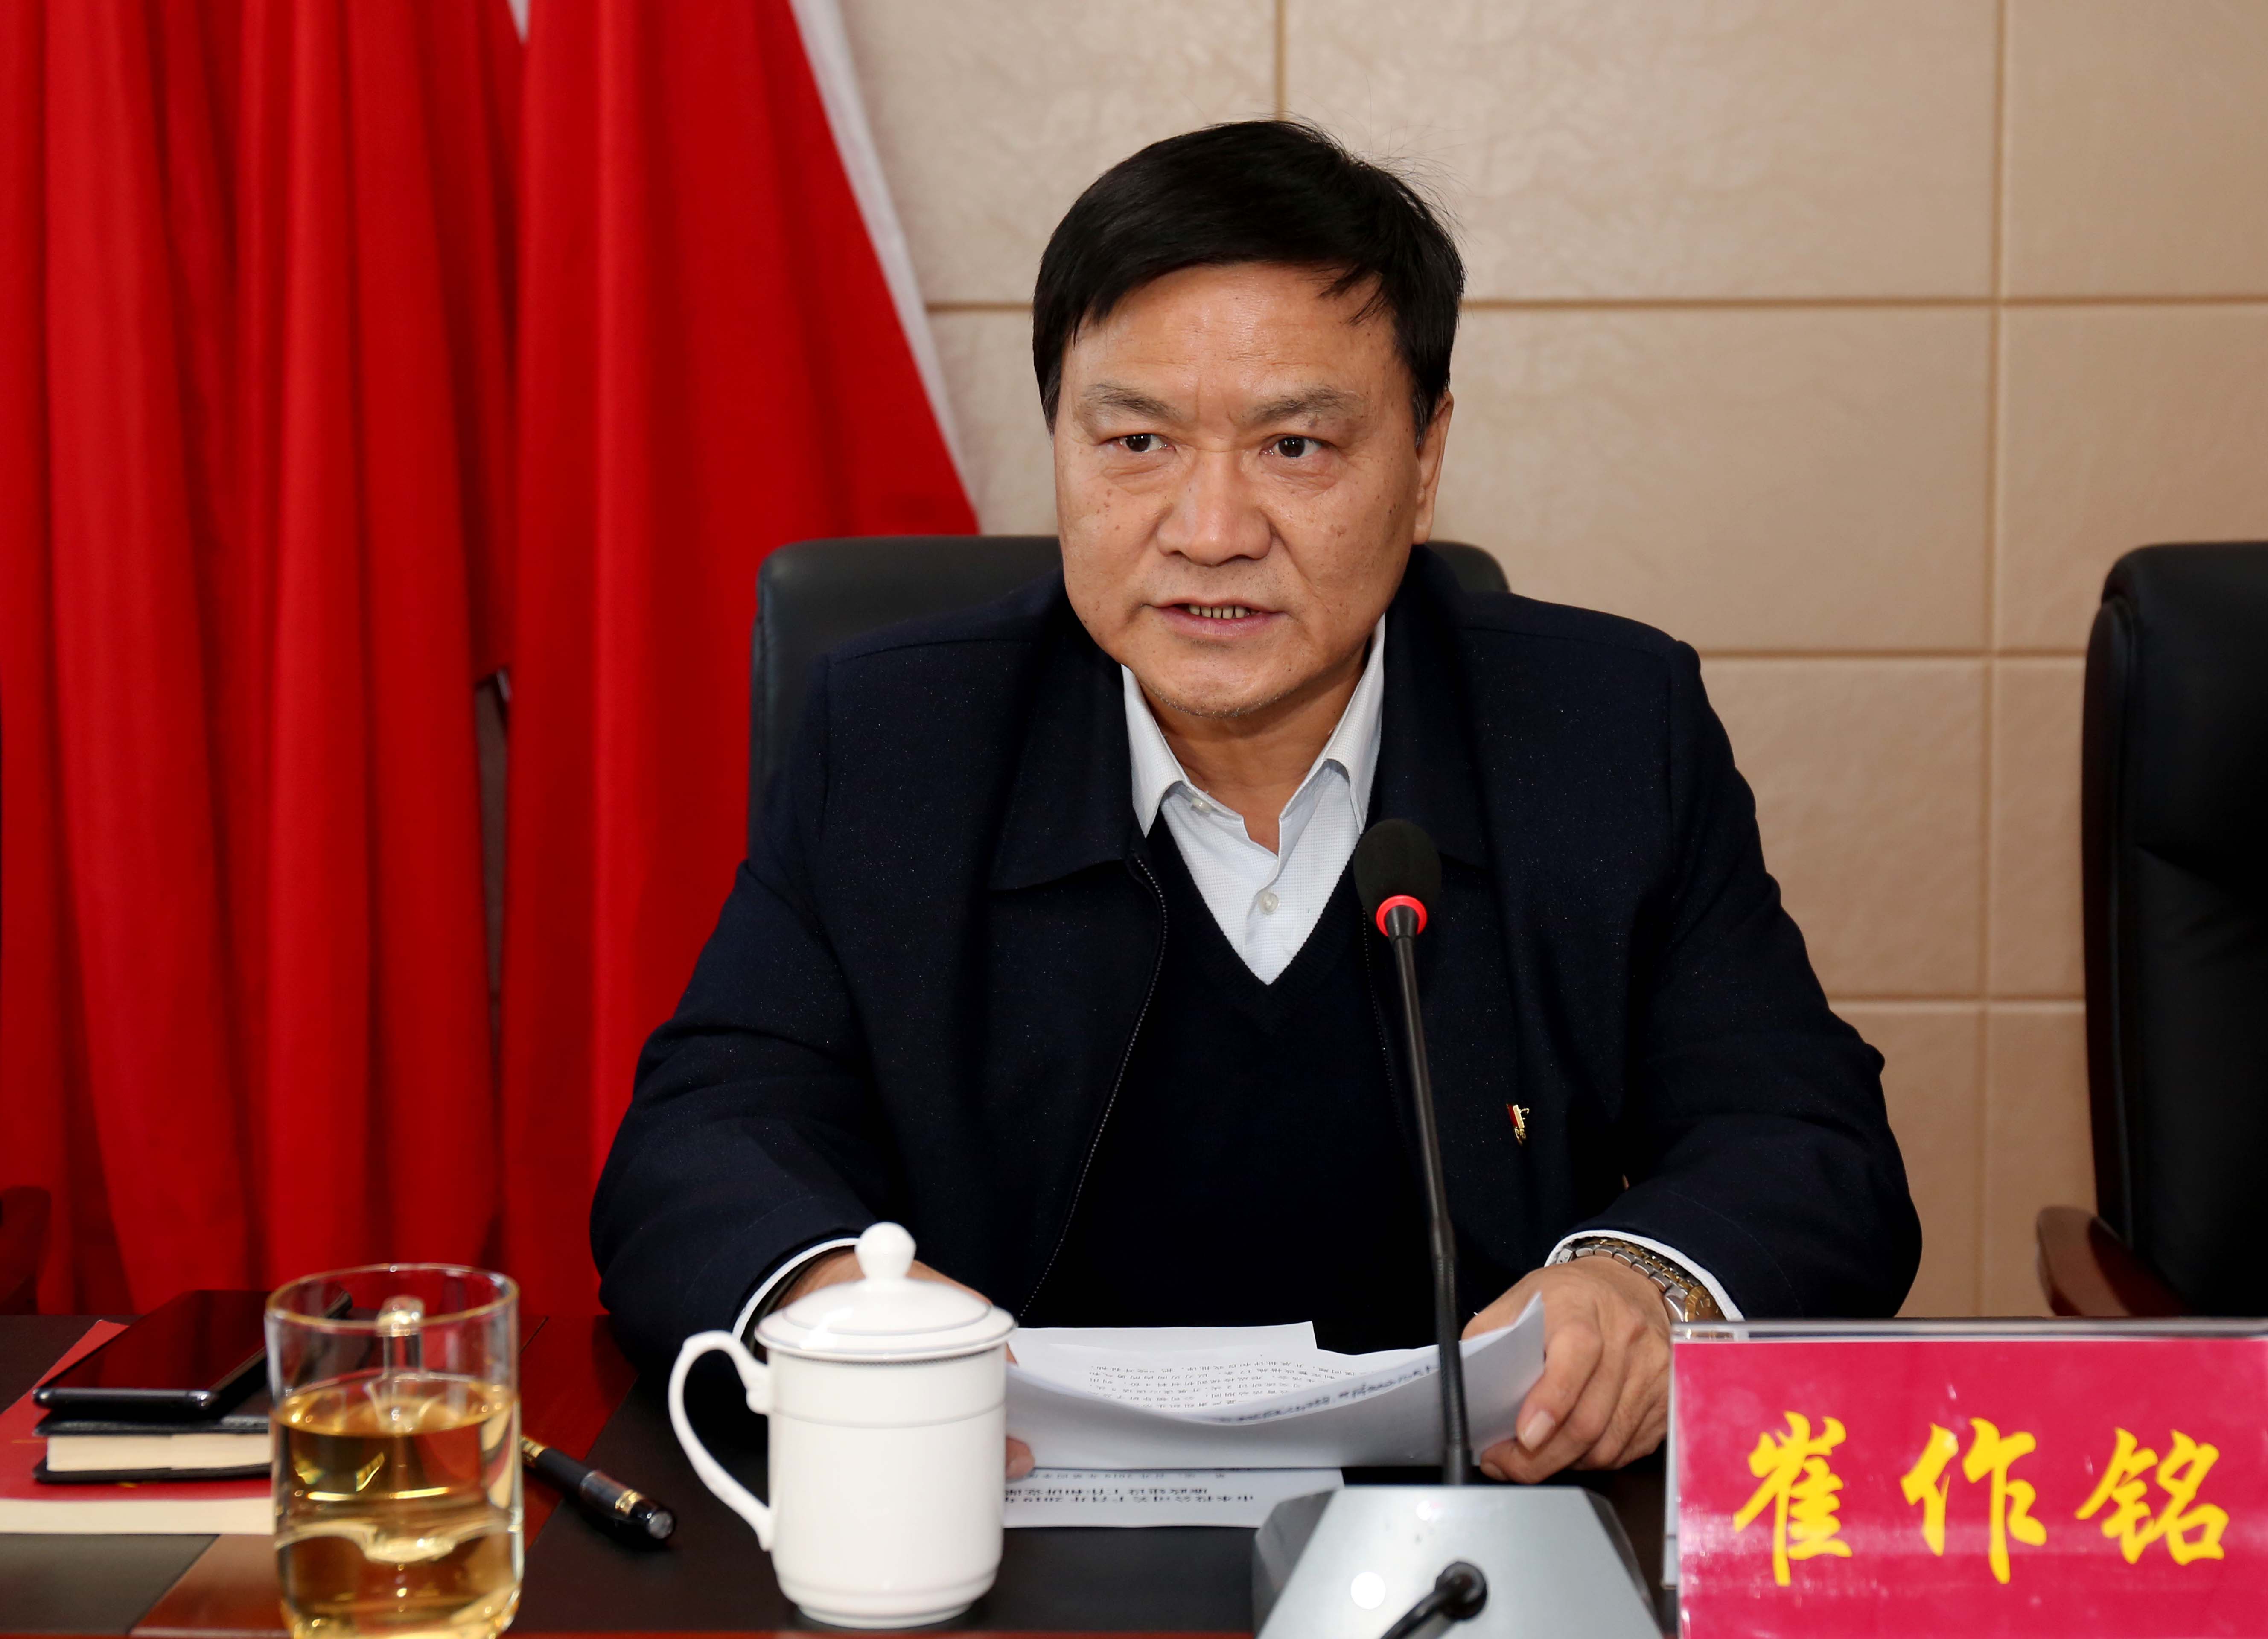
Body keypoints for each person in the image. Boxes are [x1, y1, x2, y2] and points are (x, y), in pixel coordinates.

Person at [594, 120, 1918, 1484]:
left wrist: (1647, 1285)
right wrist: (838, 1307)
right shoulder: (898, 739)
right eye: (1137, 441)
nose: (1211, 530)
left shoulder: (1604, 732)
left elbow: (1802, 1142)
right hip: (991, 1517)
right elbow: (702, 1141)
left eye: (1294, 446)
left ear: (1426, 460)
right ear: (1059, 442)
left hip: (1481, 1521)